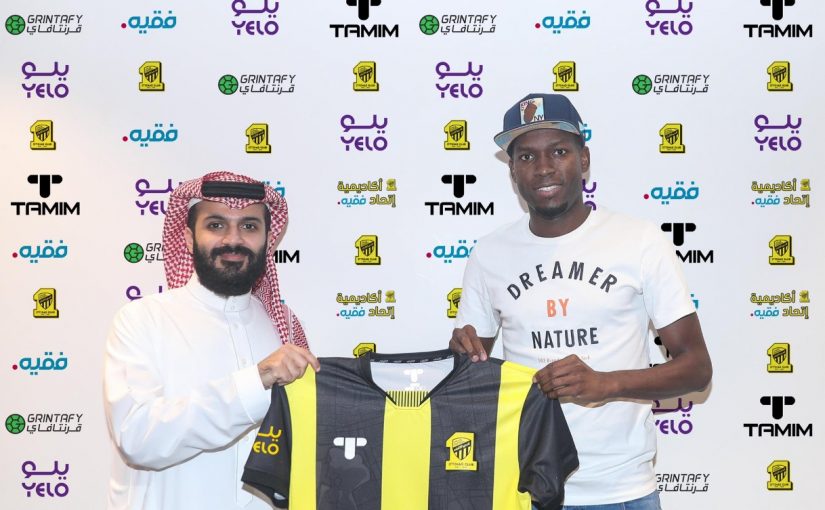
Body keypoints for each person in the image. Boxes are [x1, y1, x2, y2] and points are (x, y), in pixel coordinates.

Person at [450, 94, 712, 510]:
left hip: (621, 491)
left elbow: (696, 368)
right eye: (526, 156)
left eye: (559, 151)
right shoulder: (489, 254)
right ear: (512, 171)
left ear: (583, 159)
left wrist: (607, 383)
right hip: (526, 487)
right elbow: (470, 374)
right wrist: (461, 354)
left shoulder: (639, 241)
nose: (543, 167)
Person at [104, 171, 319, 509]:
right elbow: (138, 439)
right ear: (189, 238)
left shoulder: (285, 329)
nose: (233, 240)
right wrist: (256, 381)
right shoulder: (143, 320)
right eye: (216, 225)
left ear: (268, 239)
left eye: (249, 226)